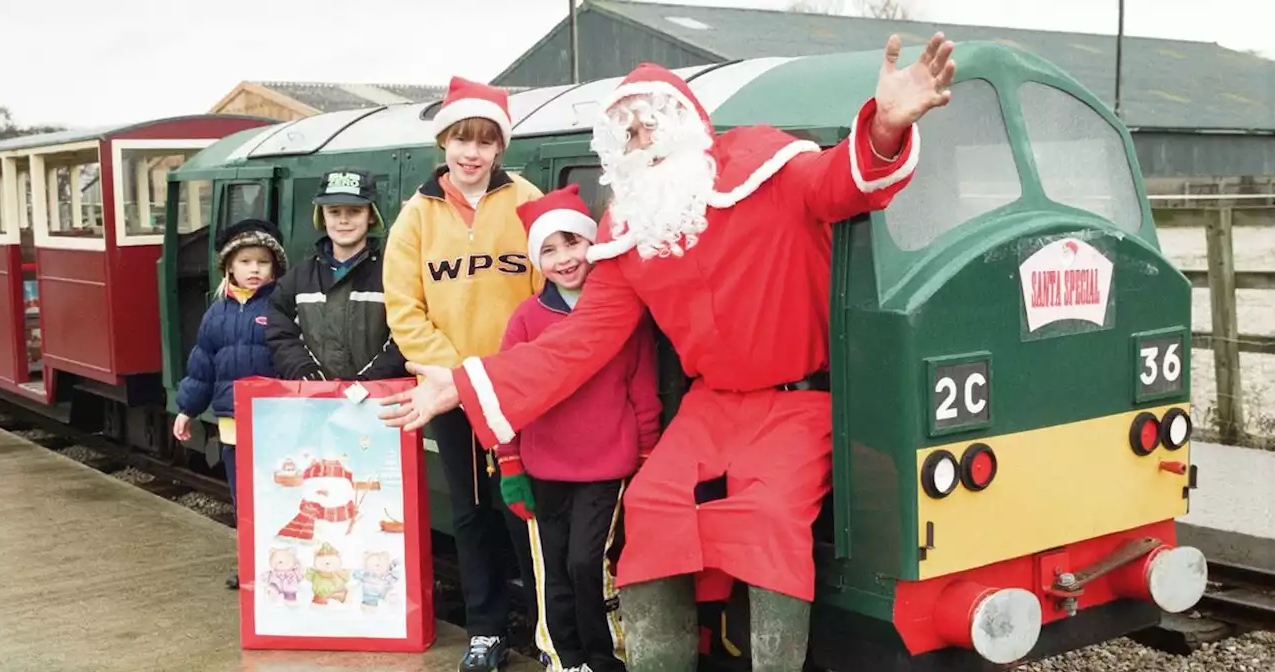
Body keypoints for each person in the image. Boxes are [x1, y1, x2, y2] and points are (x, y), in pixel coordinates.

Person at [381, 33, 956, 670]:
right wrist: (462, 382)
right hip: (711, 407)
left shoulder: (767, 165)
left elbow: (841, 185)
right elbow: (579, 341)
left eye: (652, 122)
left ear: (688, 122)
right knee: (651, 510)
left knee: (767, 521)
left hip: (799, 402)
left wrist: (884, 129)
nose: (642, 140)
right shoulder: (630, 230)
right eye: (627, 134)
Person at [381, 75, 545, 672]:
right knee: (473, 513)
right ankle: (486, 630)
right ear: (443, 142)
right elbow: (404, 309)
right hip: (449, 396)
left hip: (517, 392)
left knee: (526, 510)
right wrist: (456, 378)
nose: (471, 152)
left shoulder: (526, 201)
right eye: (460, 139)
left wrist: (503, 375)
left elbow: (543, 298)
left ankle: (548, 628)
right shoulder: (415, 217)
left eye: (484, 141)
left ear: (500, 147)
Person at [497, 185, 662, 672]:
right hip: (543, 466)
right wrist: (509, 462)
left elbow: (642, 388)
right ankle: (564, 658)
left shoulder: (623, 312)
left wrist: (647, 456)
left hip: (606, 465)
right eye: (549, 249)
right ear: (536, 261)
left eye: (573, 243)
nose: (564, 258)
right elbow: (506, 395)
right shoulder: (526, 320)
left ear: (594, 244)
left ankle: (604, 657)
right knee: (553, 570)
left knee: (587, 564)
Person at [173, 218, 288, 590]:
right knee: (245, 500)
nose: (254, 269)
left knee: (282, 495)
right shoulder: (216, 314)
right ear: (229, 267)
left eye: (262, 262)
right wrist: (187, 408)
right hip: (234, 424)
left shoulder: (282, 307)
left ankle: (287, 564)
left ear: (275, 267)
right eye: (245, 262)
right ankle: (253, 565)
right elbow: (201, 366)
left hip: (277, 422)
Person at [266, 168, 407, 381]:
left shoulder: (394, 274)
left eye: (354, 211)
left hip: (381, 404)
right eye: (334, 211)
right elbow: (279, 331)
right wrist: (302, 368)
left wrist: (369, 380)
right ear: (321, 216)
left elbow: (407, 334)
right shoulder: (299, 278)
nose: (343, 220)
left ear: (371, 215)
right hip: (314, 404)